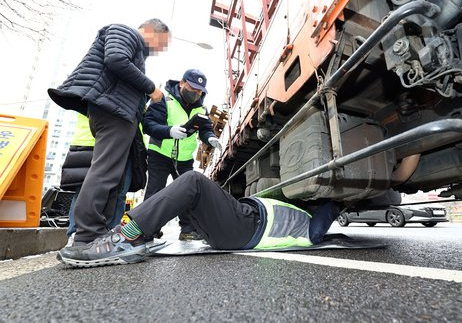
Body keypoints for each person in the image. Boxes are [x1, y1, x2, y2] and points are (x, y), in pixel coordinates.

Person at [48, 19, 170, 249]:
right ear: (152, 30)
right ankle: (86, 235)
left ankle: (99, 232)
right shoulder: (125, 31)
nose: (159, 49)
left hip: (116, 113)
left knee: (111, 176)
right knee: (105, 173)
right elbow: (115, 59)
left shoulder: (135, 48)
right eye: (161, 43)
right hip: (113, 113)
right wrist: (151, 88)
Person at [57, 171, 340, 267]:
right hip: (240, 224)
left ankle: (126, 236)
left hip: (247, 229)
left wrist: (336, 202)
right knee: (189, 190)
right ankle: (136, 235)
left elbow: (321, 226)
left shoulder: (310, 226)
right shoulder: (299, 212)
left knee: (193, 181)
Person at [142, 69, 222, 240]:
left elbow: (205, 129)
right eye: (193, 89)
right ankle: (148, 230)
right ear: (182, 83)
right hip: (160, 154)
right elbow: (148, 124)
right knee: (155, 192)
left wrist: (211, 139)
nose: (196, 93)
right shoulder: (164, 99)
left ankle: (188, 230)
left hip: (184, 158)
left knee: (188, 192)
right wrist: (169, 131)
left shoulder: (201, 107)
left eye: (200, 91)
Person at [59, 113, 133, 243]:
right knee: (86, 189)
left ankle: (109, 237)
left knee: (118, 194)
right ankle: (77, 236)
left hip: (124, 146)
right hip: (93, 142)